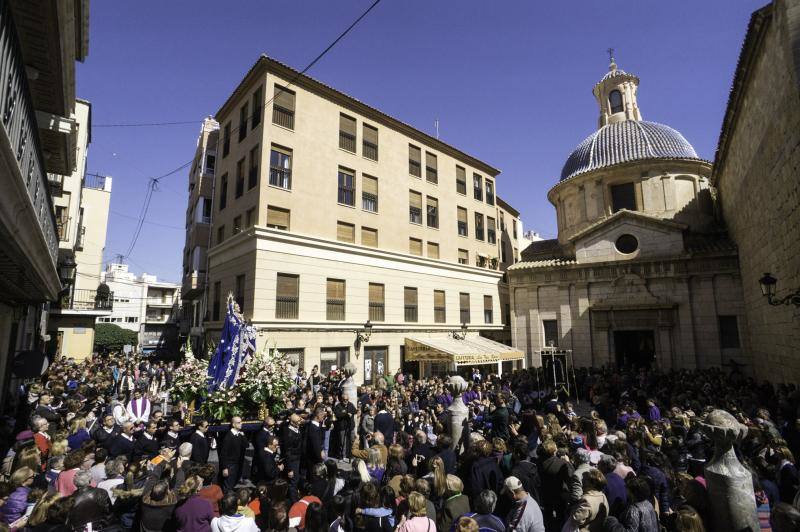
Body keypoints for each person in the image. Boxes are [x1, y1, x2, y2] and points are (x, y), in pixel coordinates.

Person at [219, 416, 247, 493]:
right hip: (230, 465)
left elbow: (246, 445)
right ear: (233, 424)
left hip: (237, 465)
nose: (241, 424)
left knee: (233, 483)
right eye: (239, 422)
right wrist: (224, 468)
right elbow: (223, 454)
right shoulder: (228, 437)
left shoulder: (239, 434)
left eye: (241, 422)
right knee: (228, 486)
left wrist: (243, 435)